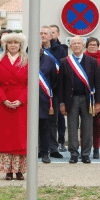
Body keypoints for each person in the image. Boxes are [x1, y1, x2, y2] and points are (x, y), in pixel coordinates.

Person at [59, 36, 100, 164]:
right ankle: (73, 154)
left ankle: (85, 154)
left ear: (83, 45)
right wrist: (62, 103)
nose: (77, 45)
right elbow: (61, 85)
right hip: (71, 100)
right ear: (70, 46)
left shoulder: (92, 61)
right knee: (72, 127)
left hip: (87, 99)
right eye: (74, 43)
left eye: (79, 43)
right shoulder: (64, 61)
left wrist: (98, 102)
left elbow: (98, 83)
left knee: (87, 127)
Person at [0, 33, 28, 180]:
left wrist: (21, 100)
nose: (13, 45)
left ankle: (19, 170)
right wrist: (3, 99)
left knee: (20, 136)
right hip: (4, 103)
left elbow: (30, 83)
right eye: (10, 43)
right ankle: (8, 170)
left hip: (20, 103)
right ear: (5, 45)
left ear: (20, 45)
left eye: (16, 42)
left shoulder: (27, 60)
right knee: (6, 136)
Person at [40, 26, 67, 158]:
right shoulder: (32, 50)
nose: (42, 36)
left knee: (52, 121)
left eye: (45, 34)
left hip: (53, 92)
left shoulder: (60, 50)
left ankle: (53, 148)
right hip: (38, 92)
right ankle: (39, 148)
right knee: (38, 120)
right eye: (41, 34)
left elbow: (63, 71)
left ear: (51, 36)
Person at [84, 37, 100, 159]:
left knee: (96, 124)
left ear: (98, 46)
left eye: (94, 45)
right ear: (86, 46)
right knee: (84, 124)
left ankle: (96, 148)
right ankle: (84, 148)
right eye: (90, 45)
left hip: (98, 96)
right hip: (84, 95)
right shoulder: (82, 59)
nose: (92, 46)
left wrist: (95, 87)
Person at [38, 45, 58, 164]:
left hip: (44, 99)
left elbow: (54, 79)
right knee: (29, 128)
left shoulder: (49, 60)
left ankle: (45, 153)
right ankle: (32, 151)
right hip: (27, 98)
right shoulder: (24, 58)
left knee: (44, 127)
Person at [50, 24, 68, 152]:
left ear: (58, 34)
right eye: (48, 32)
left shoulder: (62, 49)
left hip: (57, 87)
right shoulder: (41, 48)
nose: (51, 34)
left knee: (59, 117)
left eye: (53, 32)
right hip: (46, 87)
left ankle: (61, 141)